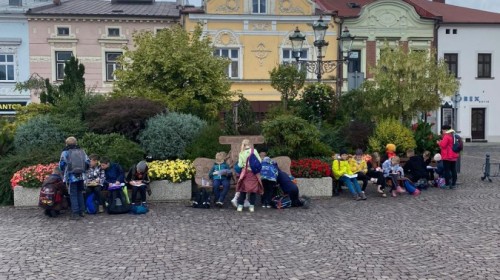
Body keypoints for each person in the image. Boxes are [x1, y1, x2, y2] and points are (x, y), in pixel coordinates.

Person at [59, 136, 90, 220]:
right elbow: (87, 162)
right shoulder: (81, 151)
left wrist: (63, 172)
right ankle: (82, 211)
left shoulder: (65, 152)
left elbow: (61, 165)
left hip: (71, 176)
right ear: (76, 143)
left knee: (73, 194)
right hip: (81, 176)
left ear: (66, 143)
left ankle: (75, 213)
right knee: (80, 192)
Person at [235, 139, 263, 212]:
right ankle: (251, 207)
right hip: (254, 173)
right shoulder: (254, 151)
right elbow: (259, 161)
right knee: (253, 190)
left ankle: (240, 206)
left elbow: (240, 165)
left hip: (245, 173)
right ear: (249, 144)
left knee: (243, 190)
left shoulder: (241, 153)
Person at [437, 125, 459, 189]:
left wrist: (439, 142)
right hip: (454, 155)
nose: (442, 131)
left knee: (447, 170)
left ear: (446, 130)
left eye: (443, 130)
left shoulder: (447, 136)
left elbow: (443, 145)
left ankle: (447, 184)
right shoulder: (454, 135)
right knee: (453, 170)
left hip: (447, 156)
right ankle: (453, 184)